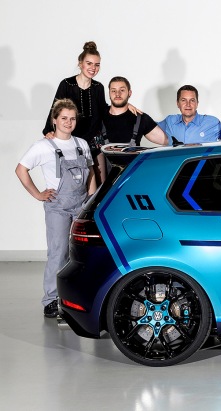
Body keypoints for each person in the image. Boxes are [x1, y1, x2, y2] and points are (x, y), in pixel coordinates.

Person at [16, 99, 96, 317]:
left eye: (72, 119)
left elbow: (91, 172)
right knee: (58, 252)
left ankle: (76, 296)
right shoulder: (43, 146)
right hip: (58, 208)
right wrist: (38, 194)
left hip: (81, 205)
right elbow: (21, 169)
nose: (68, 122)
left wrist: (91, 200)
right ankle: (51, 299)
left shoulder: (81, 144)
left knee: (81, 253)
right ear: (54, 120)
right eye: (64, 118)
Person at [42, 42, 106, 183]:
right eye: (89, 63)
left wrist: (126, 106)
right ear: (80, 63)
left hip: (95, 141)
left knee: (102, 183)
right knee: (77, 181)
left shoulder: (98, 87)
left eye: (97, 65)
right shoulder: (66, 84)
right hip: (73, 139)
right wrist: (49, 130)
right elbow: (55, 109)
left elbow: (105, 111)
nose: (93, 68)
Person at [100, 76, 168, 147]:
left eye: (122, 90)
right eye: (113, 91)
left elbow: (169, 141)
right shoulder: (98, 115)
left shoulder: (141, 118)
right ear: (109, 93)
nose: (117, 94)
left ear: (129, 93)